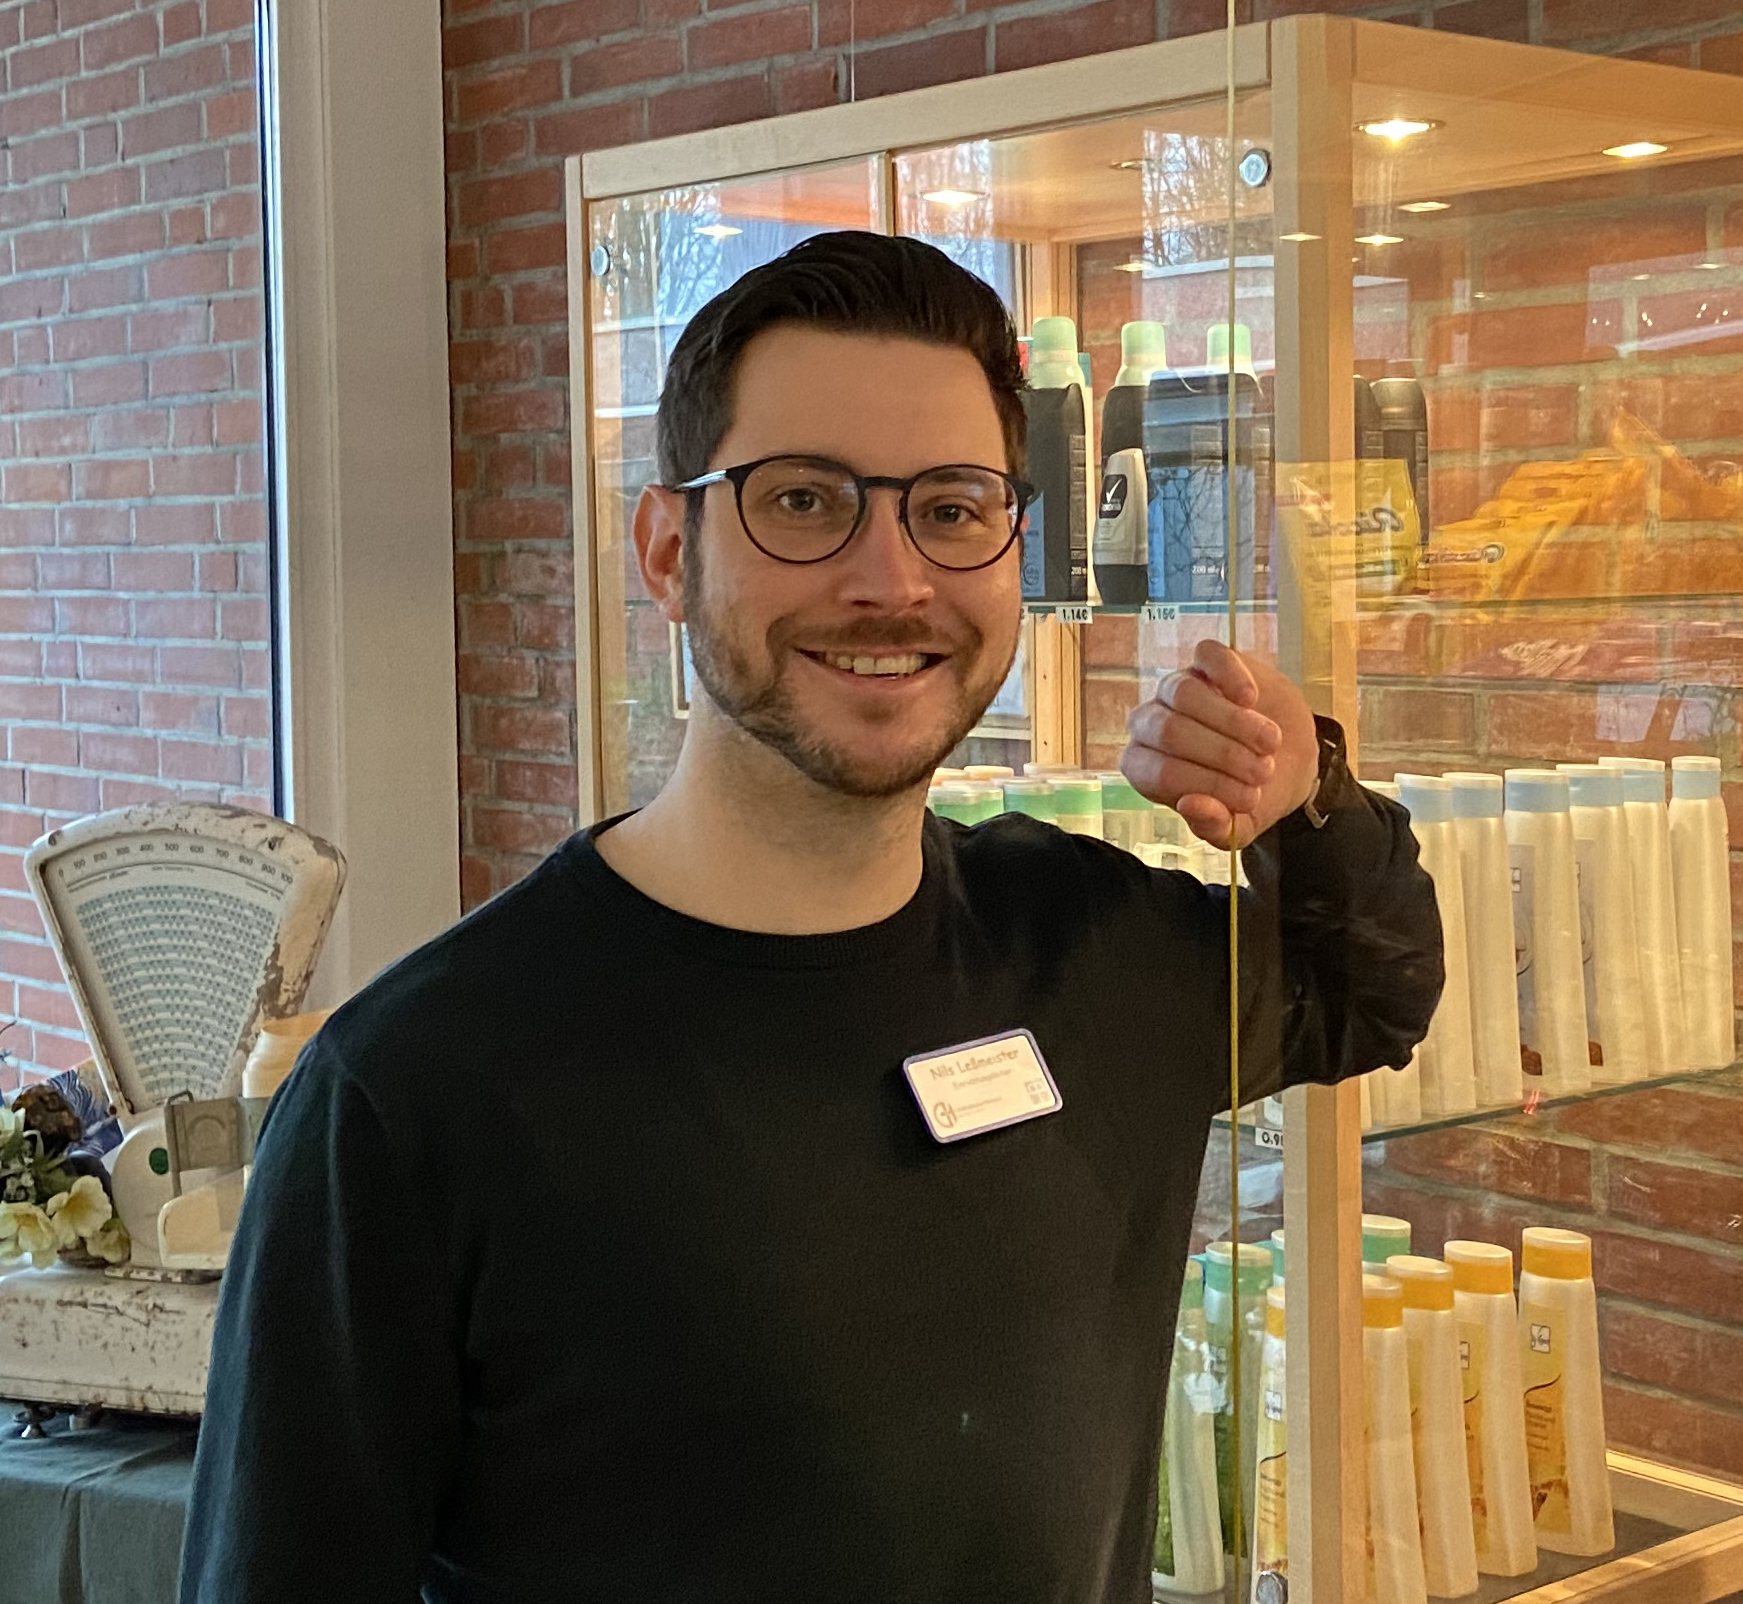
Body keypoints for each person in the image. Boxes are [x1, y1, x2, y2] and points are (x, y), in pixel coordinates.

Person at [181, 231, 1441, 1603]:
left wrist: (1305, 790)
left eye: (951, 510)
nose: (890, 580)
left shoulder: (1090, 946)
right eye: (801, 502)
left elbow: (1372, 990)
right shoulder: (419, 1092)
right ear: (668, 550)